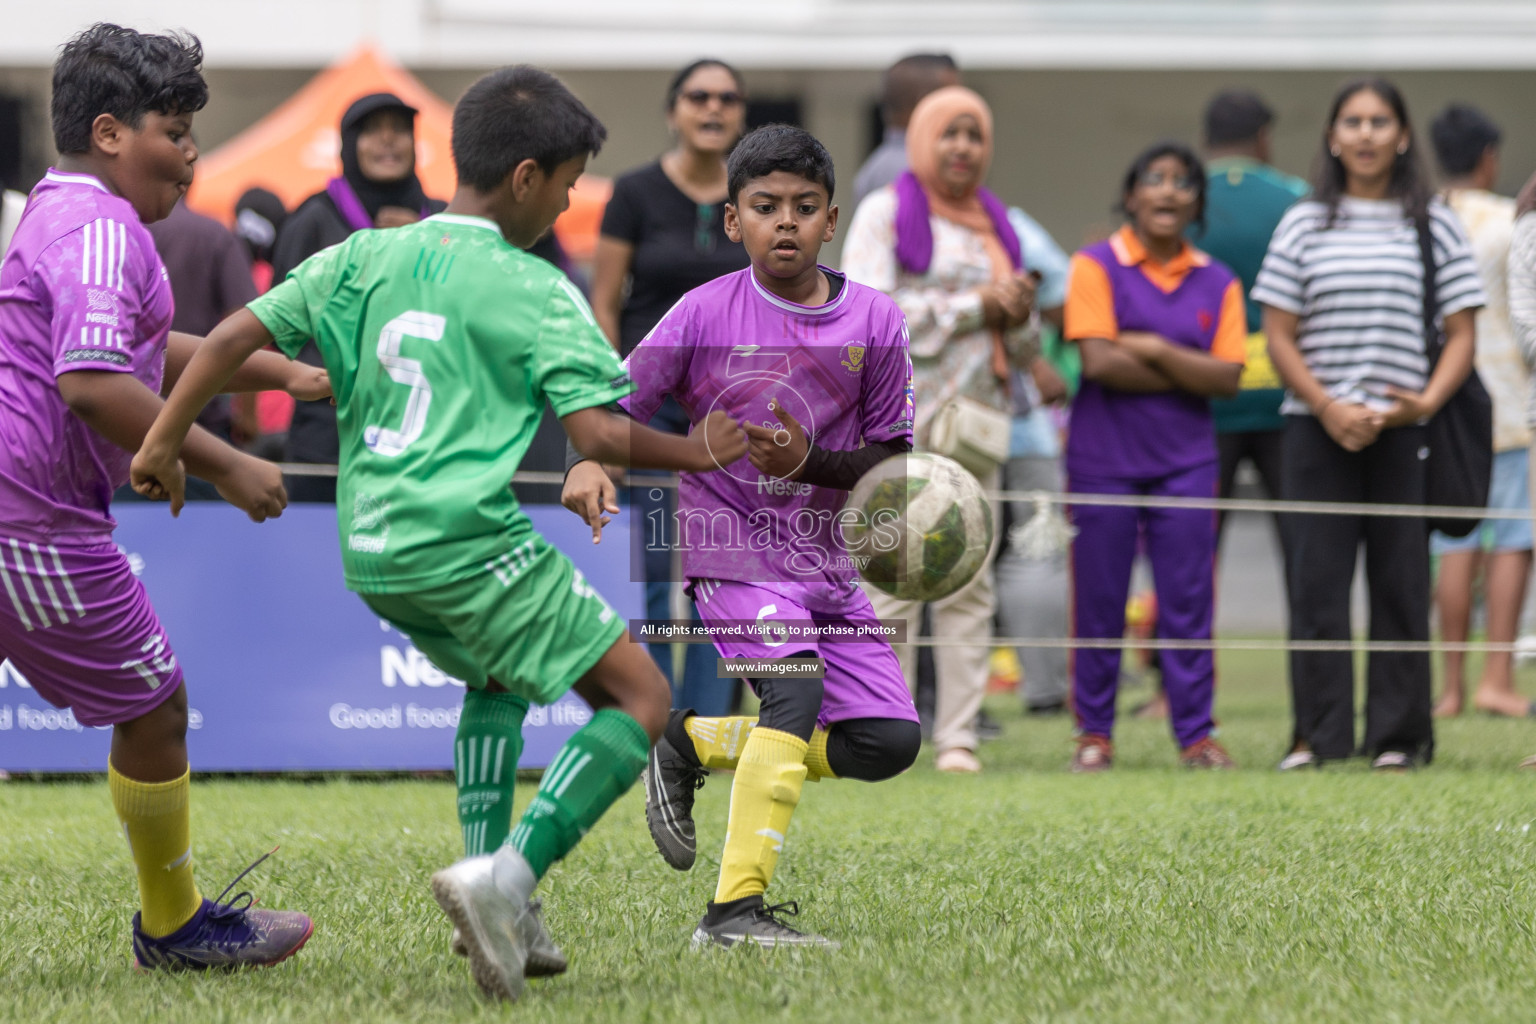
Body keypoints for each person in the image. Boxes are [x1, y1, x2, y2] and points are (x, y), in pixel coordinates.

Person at [131, 65, 749, 1002]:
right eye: (572, 181)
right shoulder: (534, 284)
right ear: (530, 177)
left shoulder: (361, 256)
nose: (572, 200)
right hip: (466, 536)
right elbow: (600, 434)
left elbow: (221, 344)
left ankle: (492, 897)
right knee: (641, 699)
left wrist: (166, 442)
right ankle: (508, 880)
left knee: (495, 678)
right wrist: (699, 449)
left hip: (371, 545)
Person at [0, 22, 322, 970]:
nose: (190, 156)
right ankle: (175, 930)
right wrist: (226, 463)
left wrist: (283, 374)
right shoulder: (99, 229)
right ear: (110, 133)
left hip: (31, 509)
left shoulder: (67, 215)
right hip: (32, 518)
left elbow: (146, 352)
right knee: (152, 703)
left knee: (153, 701)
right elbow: (95, 383)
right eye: (174, 133)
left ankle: (175, 924)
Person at [563, 124, 920, 949]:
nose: (784, 223)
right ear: (734, 222)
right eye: (764, 207)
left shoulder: (876, 320)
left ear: (832, 221)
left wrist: (812, 461)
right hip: (730, 556)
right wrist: (592, 465)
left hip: (828, 567)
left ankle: (686, 741)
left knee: (888, 741)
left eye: (803, 207)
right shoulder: (700, 313)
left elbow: (892, 469)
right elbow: (613, 410)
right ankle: (733, 914)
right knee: (791, 692)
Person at [1253, 78, 1485, 771]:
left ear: (1403, 135)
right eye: (1351, 121)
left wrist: (1423, 403)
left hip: (1406, 429)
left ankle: (1399, 738)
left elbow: (1462, 332)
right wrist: (1326, 404)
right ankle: (1317, 738)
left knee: (1401, 583)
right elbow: (1279, 335)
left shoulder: (1432, 222)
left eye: (1379, 121)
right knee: (1316, 584)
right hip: (1314, 428)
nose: (1364, 134)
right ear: (1332, 137)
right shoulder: (1303, 221)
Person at [843, 85, 1039, 774]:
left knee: (968, 581)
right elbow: (868, 312)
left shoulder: (997, 224)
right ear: (923, 138)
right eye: (949, 133)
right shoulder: (887, 211)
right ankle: (882, 730)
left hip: (974, 428)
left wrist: (1017, 313)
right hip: (897, 421)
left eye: (975, 135)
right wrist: (974, 304)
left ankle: (958, 737)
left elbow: (1019, 340)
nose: (963, 148)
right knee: (891, 578)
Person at [1062, 142, 1246, 772]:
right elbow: (1098, 362)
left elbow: (1227, 377)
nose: (1168, 192)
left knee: (1188, 601)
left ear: (1197, 200)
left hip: (1186, 461)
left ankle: (1196, 734)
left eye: (1182, 182)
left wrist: (1153, 350)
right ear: (1132, 194)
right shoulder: (1093, 265)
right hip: (1101, 459)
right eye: (1154, 179)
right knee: (1099, 601)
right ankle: (1095, 734)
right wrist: (1185, 366)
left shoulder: (1218, 280)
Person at [588, 58, 751, 717]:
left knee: (725, 574)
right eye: (698, 96)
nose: (713, 108)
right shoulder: (633, 193)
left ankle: (707, 725)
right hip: (649, 412)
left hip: (732, 415)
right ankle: (656, 717)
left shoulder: (756, 197)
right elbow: (603, 303)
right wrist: (609, 399)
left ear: (742, 113)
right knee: (653, 572)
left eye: (727, 98)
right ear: (673, 110)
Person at [270, 91, 447, 502]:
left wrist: (420, 244)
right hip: (329, 425)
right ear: (349, 145)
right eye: (372, 132)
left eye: (400, 131)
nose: (388, 141)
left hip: (423, 420)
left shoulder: (442, 219)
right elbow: (279, 326)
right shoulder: (314, 218)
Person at [1426, 105, 1534, 719]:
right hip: (1511, 401)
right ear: (1488, 155)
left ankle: (1450, 688)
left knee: (1451, 542)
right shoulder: (1506, 220)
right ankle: (1497, 678)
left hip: (1444, 403)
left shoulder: (1425, 219)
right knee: (1513, 543)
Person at [1197, 89, 1309, 600]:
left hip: (1205, 393)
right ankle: (1313, 663)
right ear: (1264, 138)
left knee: (1193, 552)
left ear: (1207, 139)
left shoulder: (1180, 199)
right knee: (1303, 547)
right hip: (1285, 394)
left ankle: (1168, 675)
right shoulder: (1296, 198)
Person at [994, 204, 1073, 716]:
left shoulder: (890, 214)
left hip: (937, 425)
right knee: (1038, 550)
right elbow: (1064, 296)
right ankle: (1045, 692)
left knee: (948, 559)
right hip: (1023, 427)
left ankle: (938, 703)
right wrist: (1042, 359)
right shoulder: (1011, 223)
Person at [145, 197, 259, 451]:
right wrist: (248, 414)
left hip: (127, 415)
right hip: (200, 421)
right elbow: (245, 323)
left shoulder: (116, 231)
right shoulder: (215, 234)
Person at [850, 53, 960, 212]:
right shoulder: (908, 171)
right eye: (952, 99)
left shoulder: (882, 165)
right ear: (925, 103)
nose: (963, 108)